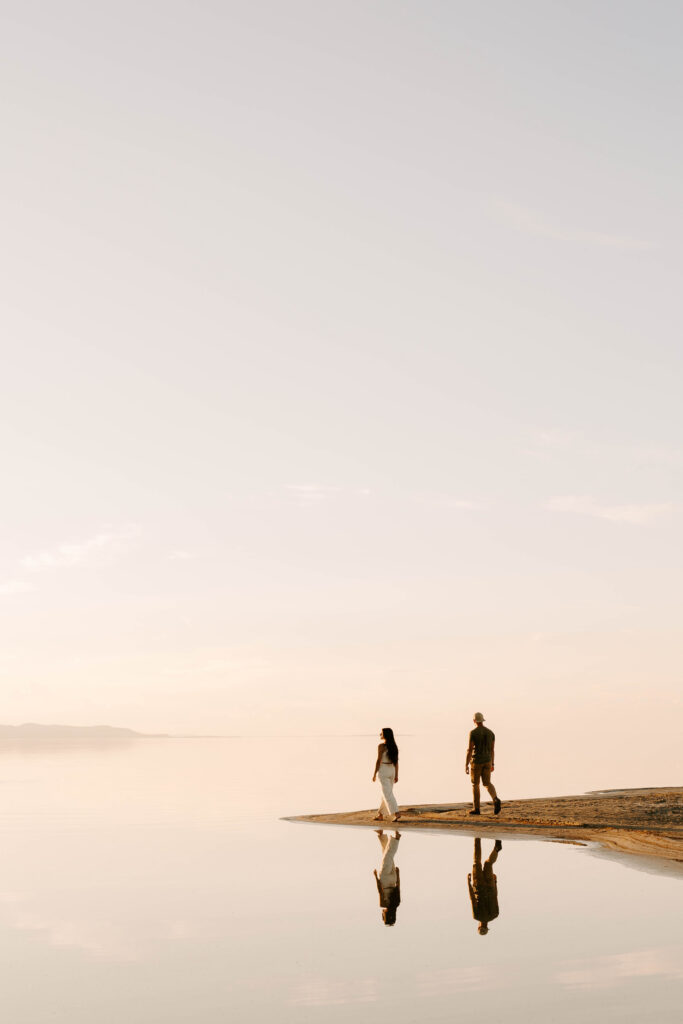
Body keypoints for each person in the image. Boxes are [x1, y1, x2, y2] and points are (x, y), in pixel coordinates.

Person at [465, 712, 501, 815]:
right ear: (482, 720)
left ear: (474, 721)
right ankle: (495, 799)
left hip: (476, 762)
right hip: (488, 761)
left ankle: (476, 809)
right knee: (487, 783)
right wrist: (492, 764)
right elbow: (492, 750)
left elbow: (470, 749)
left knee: (475, 784)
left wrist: (466, 764)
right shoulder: (491, 733)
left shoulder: (473, 733)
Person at [468, 837, 502, 935]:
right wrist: (468, 883)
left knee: (489, 863)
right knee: (476, 862)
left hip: (490, 887)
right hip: (479, 886)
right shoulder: (477, 916)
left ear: (487, 926)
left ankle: (496, 849)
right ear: (479, 926)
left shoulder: (495, 915)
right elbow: (472, 899)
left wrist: (495, 883)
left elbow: (496, 897)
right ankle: (477, 838)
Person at [372, 727, 401, 822]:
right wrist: (396, 775)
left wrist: (374, 774)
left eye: (381, 733)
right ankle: (380, 815)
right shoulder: (394, 746)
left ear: (386, 735)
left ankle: (396, 813)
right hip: (392, 769)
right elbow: (396, 762)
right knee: (386, 793)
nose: (380, 734)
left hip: (384, 770)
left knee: (387, 794)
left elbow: (378, 760)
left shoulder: (381, 746)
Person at [373, 829, 401, 926]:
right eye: (383, 917)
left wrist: (398, 874)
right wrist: (375, 877)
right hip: (385, 881)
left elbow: (398, 887)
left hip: (393, 880)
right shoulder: (383, 904)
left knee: (387, 856)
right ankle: (396, 839)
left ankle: (381, 835)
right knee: (388, 856)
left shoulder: (397, 903)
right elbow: (380, 890)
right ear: (386, 915)